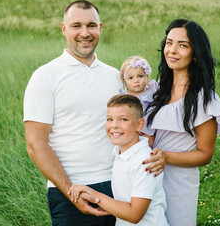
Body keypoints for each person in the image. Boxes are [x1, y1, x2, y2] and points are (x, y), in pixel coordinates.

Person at [23, 0, 124, 225]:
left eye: (91, 25)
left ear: (100, 28)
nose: (85, 33)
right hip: (71, 190)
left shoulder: (115, 75)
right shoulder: (45, 76)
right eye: (76, 25)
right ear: (64, 28)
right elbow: (35, 144)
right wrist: (71, 192)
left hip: (119, 186)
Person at [142, 19, 220, 226]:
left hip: (178, 182)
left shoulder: (203, 99)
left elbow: (205, 154)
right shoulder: (156, 89)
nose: (172, 50)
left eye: (183, 45)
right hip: (146, 176)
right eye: (169, 42)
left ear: (196, 53)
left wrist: (166, 157)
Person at [68, 94, 169, 226]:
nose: (114, 125)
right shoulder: (120, 154)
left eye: (123, 119)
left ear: (139, 125)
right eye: (110, 119)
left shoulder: (145, 161)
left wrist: (93, 194)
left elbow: (134, 215)